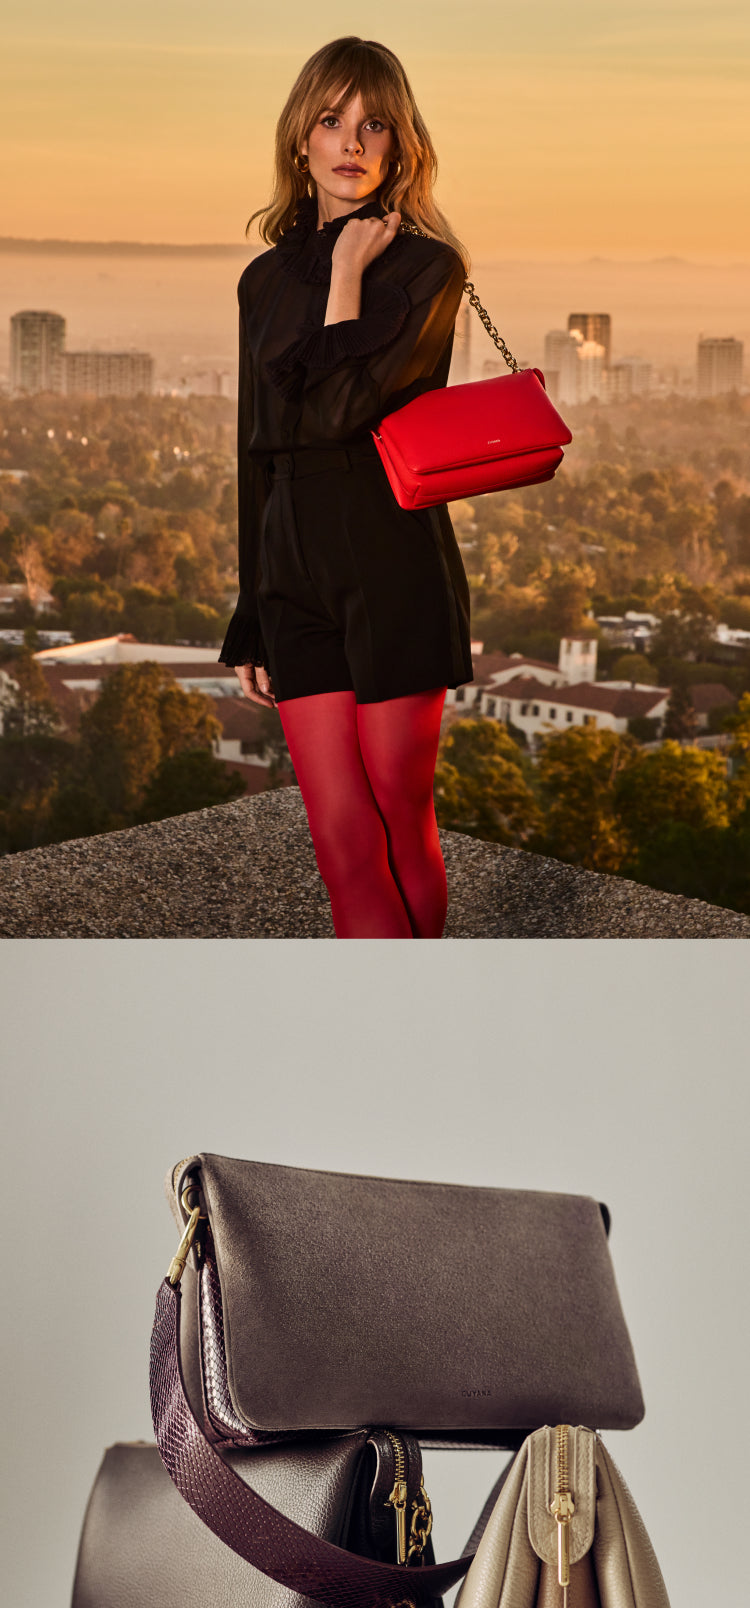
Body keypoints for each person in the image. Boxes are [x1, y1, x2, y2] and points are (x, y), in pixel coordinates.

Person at [219, 35, 473, 937]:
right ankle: (372, 1040)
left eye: (373, 124)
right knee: (336, 838)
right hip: (293, 576)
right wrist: (252, 606)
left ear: (400, 144)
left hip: (392, 560)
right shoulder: (261, 281)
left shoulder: (429, 270)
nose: (351, 142)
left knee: (402, 825)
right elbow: (258, 443)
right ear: (301, 140)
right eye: (332, 121)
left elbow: (337, 413)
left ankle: (420, 1037)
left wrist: (347, 273)